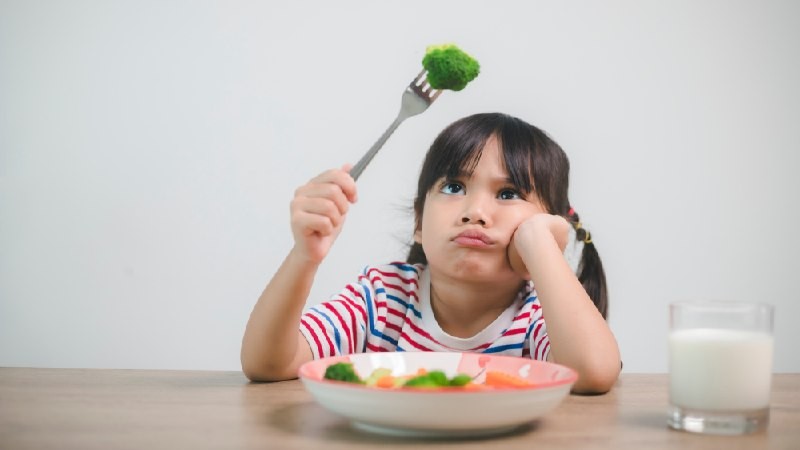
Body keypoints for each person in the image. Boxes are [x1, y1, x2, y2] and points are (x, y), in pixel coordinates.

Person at [241, 112, 621, 394]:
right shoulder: (382, 298)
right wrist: (304, 256)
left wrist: (541, 246)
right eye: (454, 187)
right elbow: (268, 364)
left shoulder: (539, 315)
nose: (475, 211)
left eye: (508, 194)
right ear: (419, 222)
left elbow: (594, 373)